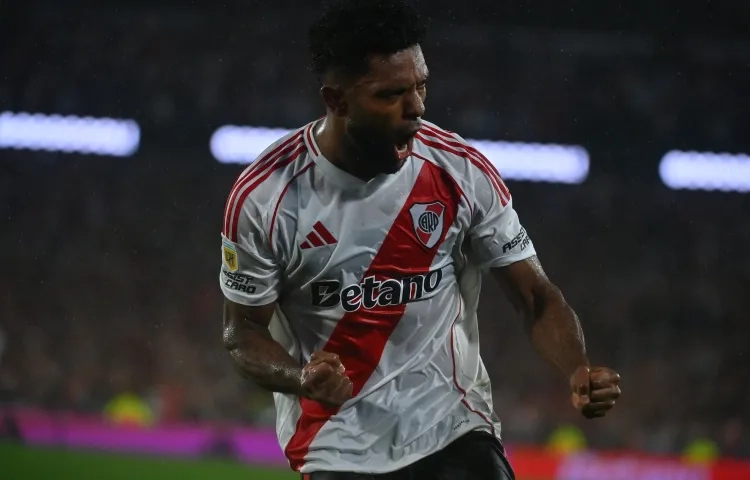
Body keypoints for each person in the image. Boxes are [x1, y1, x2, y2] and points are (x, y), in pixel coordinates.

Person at [219, 1, 621, 478]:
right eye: (391, 94)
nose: (417, 108)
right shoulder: (267, 198)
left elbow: (534, 296)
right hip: (338, 446)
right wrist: (301, 377)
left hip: (453, 430)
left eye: (421, 85)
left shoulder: (459, 171)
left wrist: (576, 368)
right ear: (337, 100)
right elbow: (242, 334)